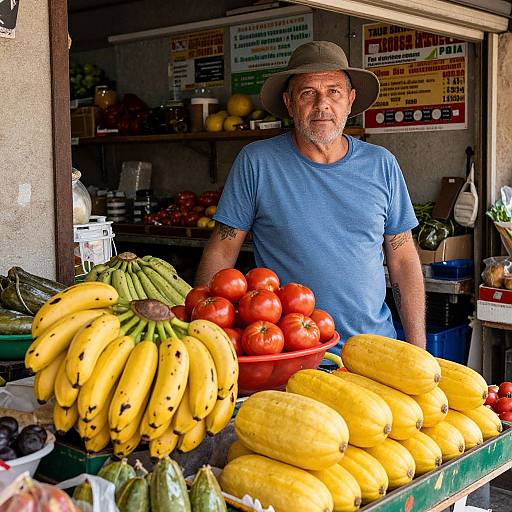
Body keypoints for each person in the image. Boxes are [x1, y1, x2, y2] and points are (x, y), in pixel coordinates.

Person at [195, 40, 426, 348]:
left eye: (334, 91)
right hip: (291, 351)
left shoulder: (381, 164)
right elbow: (222, 251)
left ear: (350, 100)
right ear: (290, 103)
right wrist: (202, 336)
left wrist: (418, 348)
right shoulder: (257, 162)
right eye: (308, 93)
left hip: (375, 350)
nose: (322, 104)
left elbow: (403, 259)